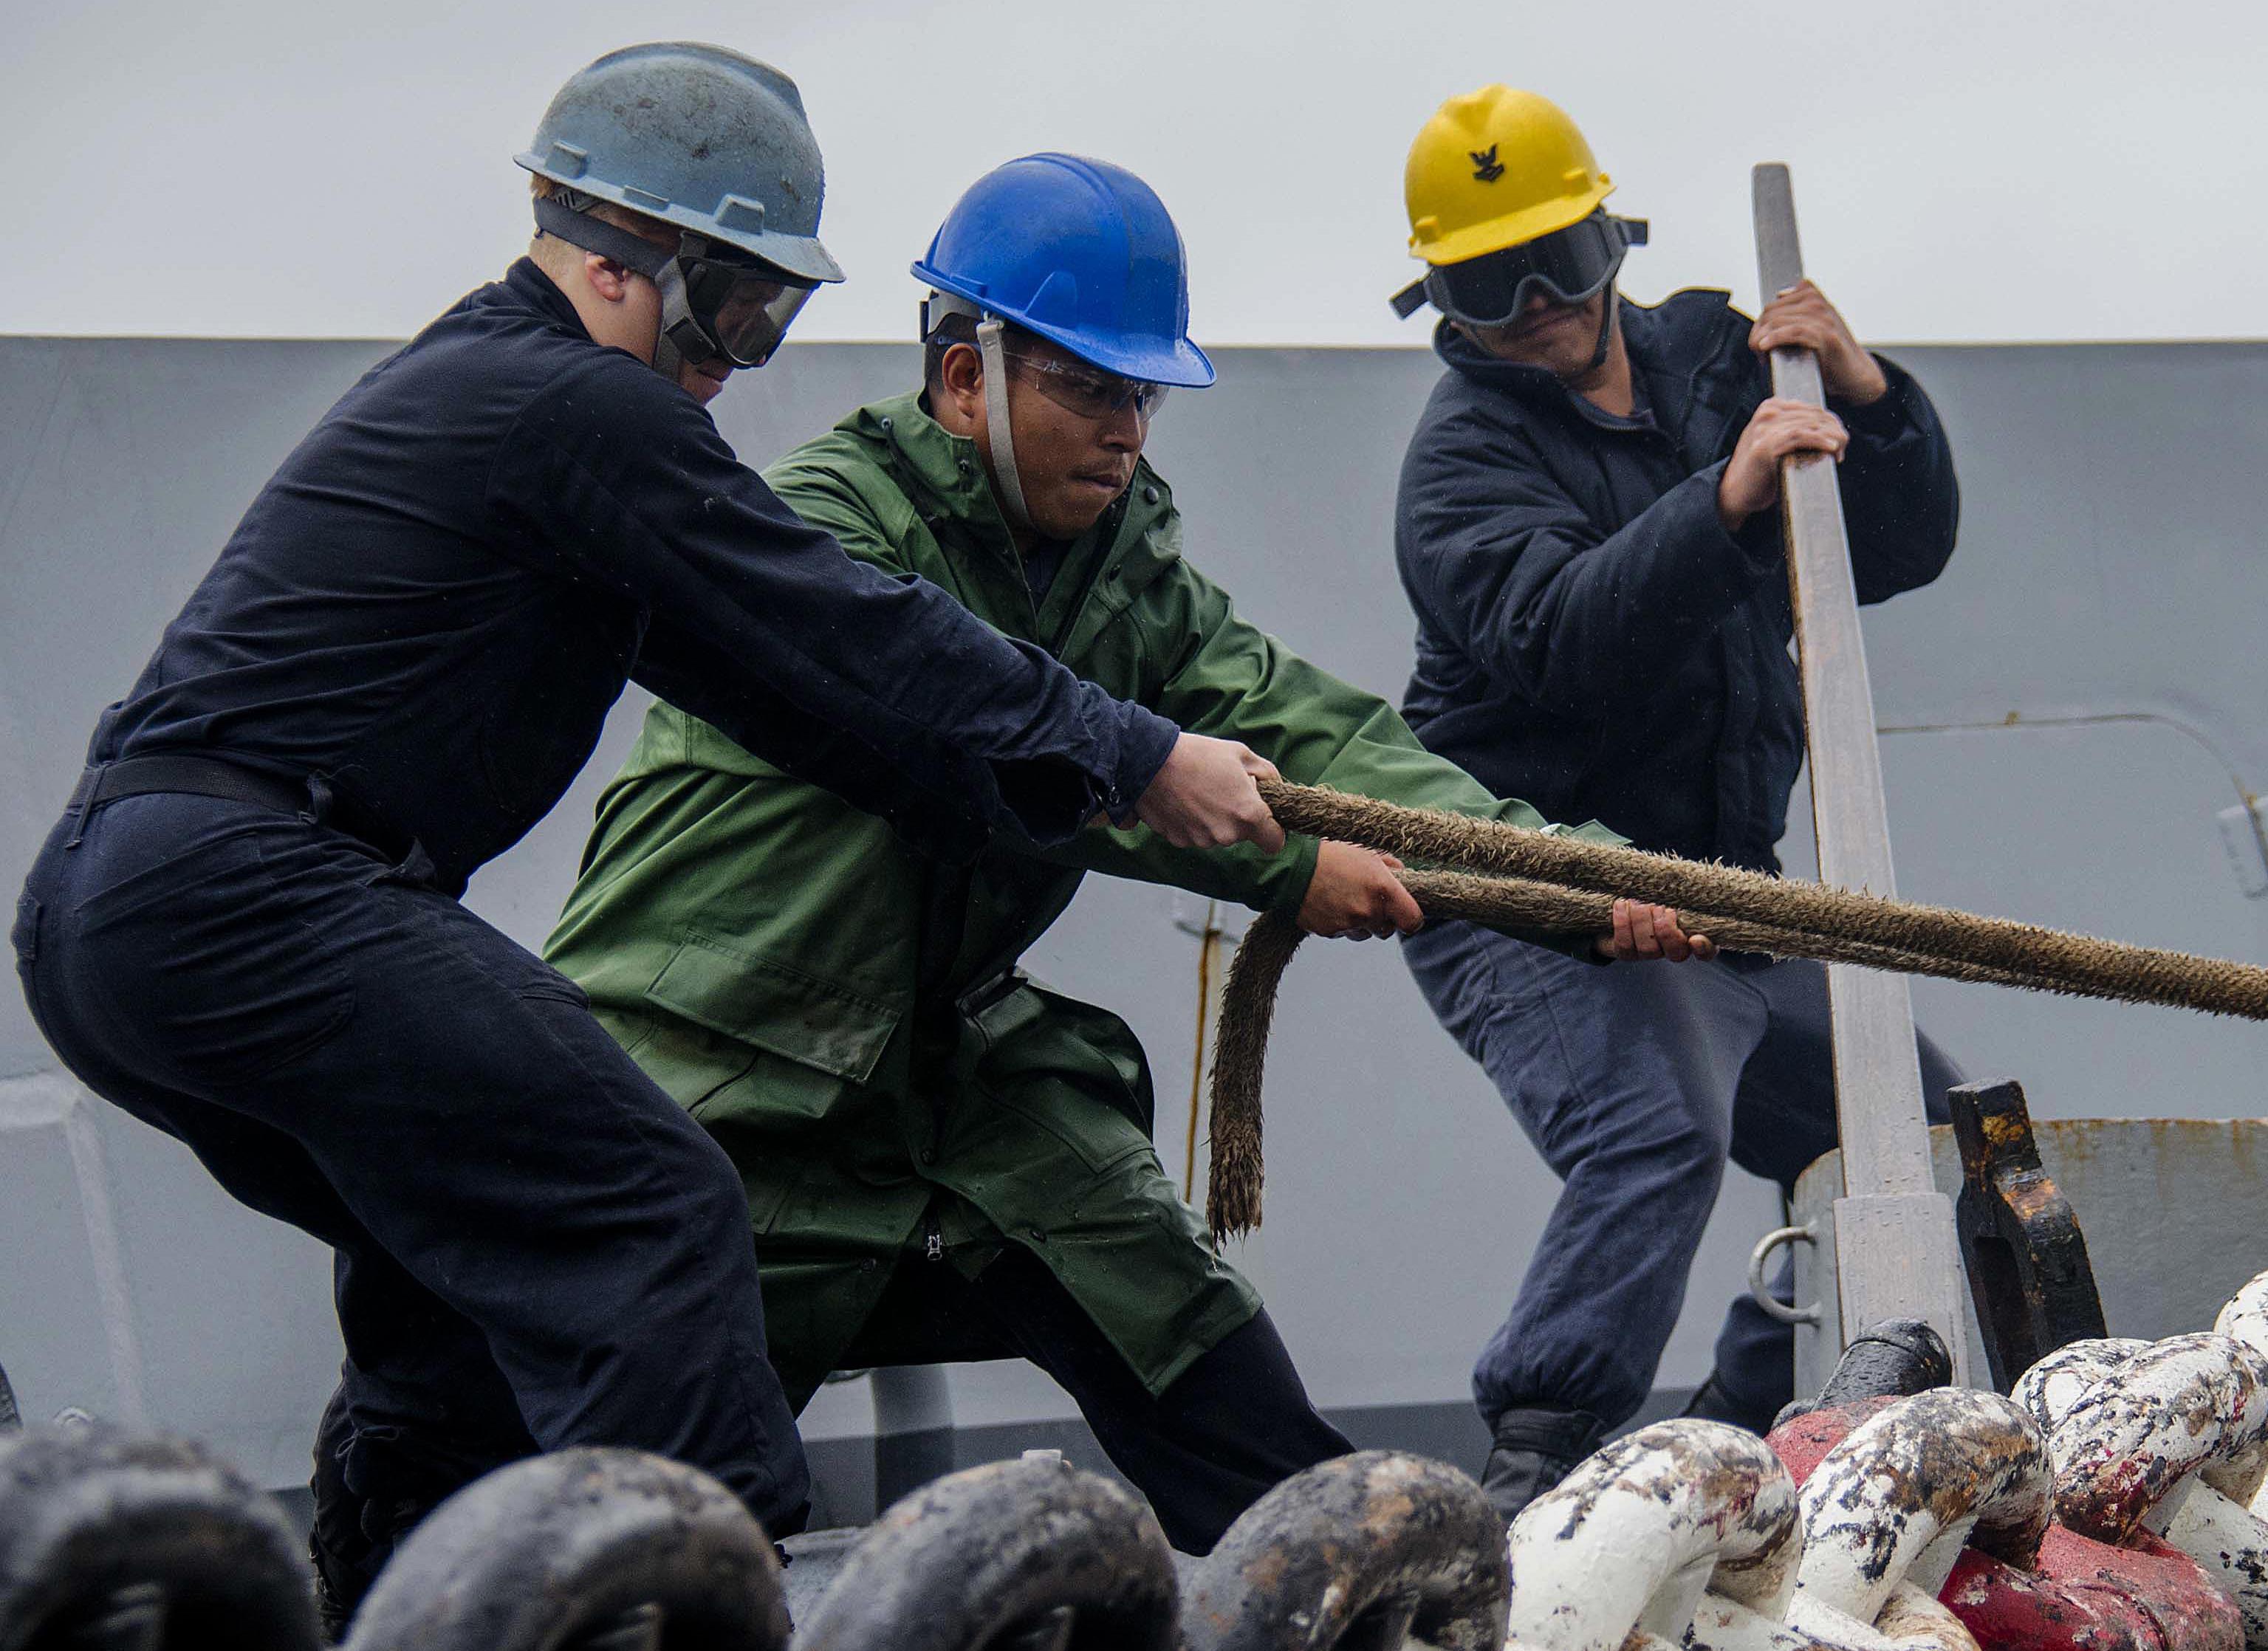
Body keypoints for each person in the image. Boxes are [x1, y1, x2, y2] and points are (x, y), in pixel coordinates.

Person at [13, 45, 1292, 1619]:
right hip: (249, 889)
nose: (743, 361)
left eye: (772, 321)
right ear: (628, 262)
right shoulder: (578, 406)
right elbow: (842, 621)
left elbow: (805, 693)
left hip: (117, 917)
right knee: (655, 1196)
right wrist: (1132, 748)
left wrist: (1089, 790)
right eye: (737, 311)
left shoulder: (493, 395)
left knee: (454, 1254)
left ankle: (402, 1636)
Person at [547, 154, 1696, 1551]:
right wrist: (1281, 866)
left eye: (1140, 397)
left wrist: (1573, 881)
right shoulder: (823, 531)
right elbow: (946, 737)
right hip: (716, 1072)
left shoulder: (1120, 573)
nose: (1125, 434)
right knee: (670, 1503)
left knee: (1193, 1341)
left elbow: (1308, 733)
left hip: (952, 1075)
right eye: (1089, 390)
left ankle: (1393, 1632)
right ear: (965, 376)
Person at [1381, 85, 1967, 1509]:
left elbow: (1892, 552)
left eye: (1557, 264)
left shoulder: (1716, 353)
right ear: (1440, 302)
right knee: (1652, 1127)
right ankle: (1534, 1472)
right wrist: (1720, 497)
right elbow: (1559, 639)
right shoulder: (1457, 467)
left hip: (1717, 884)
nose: (1531, 304)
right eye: (1482, 281)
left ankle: (1737, 1423)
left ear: (1611, 241)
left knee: (1918, 1133)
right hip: (1533, 894)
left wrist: (1869, 391)